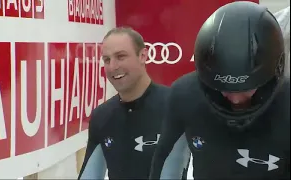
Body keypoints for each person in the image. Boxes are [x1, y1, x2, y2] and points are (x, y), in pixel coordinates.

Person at [150, 1, 290, 179]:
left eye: (247, 89)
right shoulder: (185, 96)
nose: (236, 99)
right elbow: (168, 163)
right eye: (224, 89)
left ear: (272, 75)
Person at [77, 27, 190, 179]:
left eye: (121, 56)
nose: (113, 67)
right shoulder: (102, 116)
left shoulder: (177, 107)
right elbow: (89, 175)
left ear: (143, 55)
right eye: (107, 60)